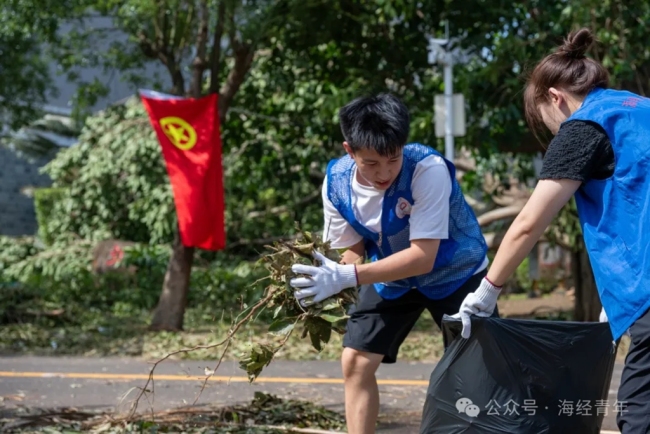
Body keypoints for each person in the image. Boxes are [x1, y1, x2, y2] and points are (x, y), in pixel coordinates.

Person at [455, 28, 650, 434]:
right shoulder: (639, 109)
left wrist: (487, 291)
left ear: (555, 98)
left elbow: (529, 224)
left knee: (639, 416)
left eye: (545, 120)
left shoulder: (583, 126)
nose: (552, 131)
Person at [288, 93, 494, 434]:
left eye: (392, 159)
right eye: (371, 163)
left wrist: (347, 275)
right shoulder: (336, 184)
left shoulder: (427, 169)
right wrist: (326, 276)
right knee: (355, 361)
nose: (383, 172)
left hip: (457, 275)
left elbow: (422, 257)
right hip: (392, 276)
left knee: (472, 377)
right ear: (349, 150)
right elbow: (351, 251)